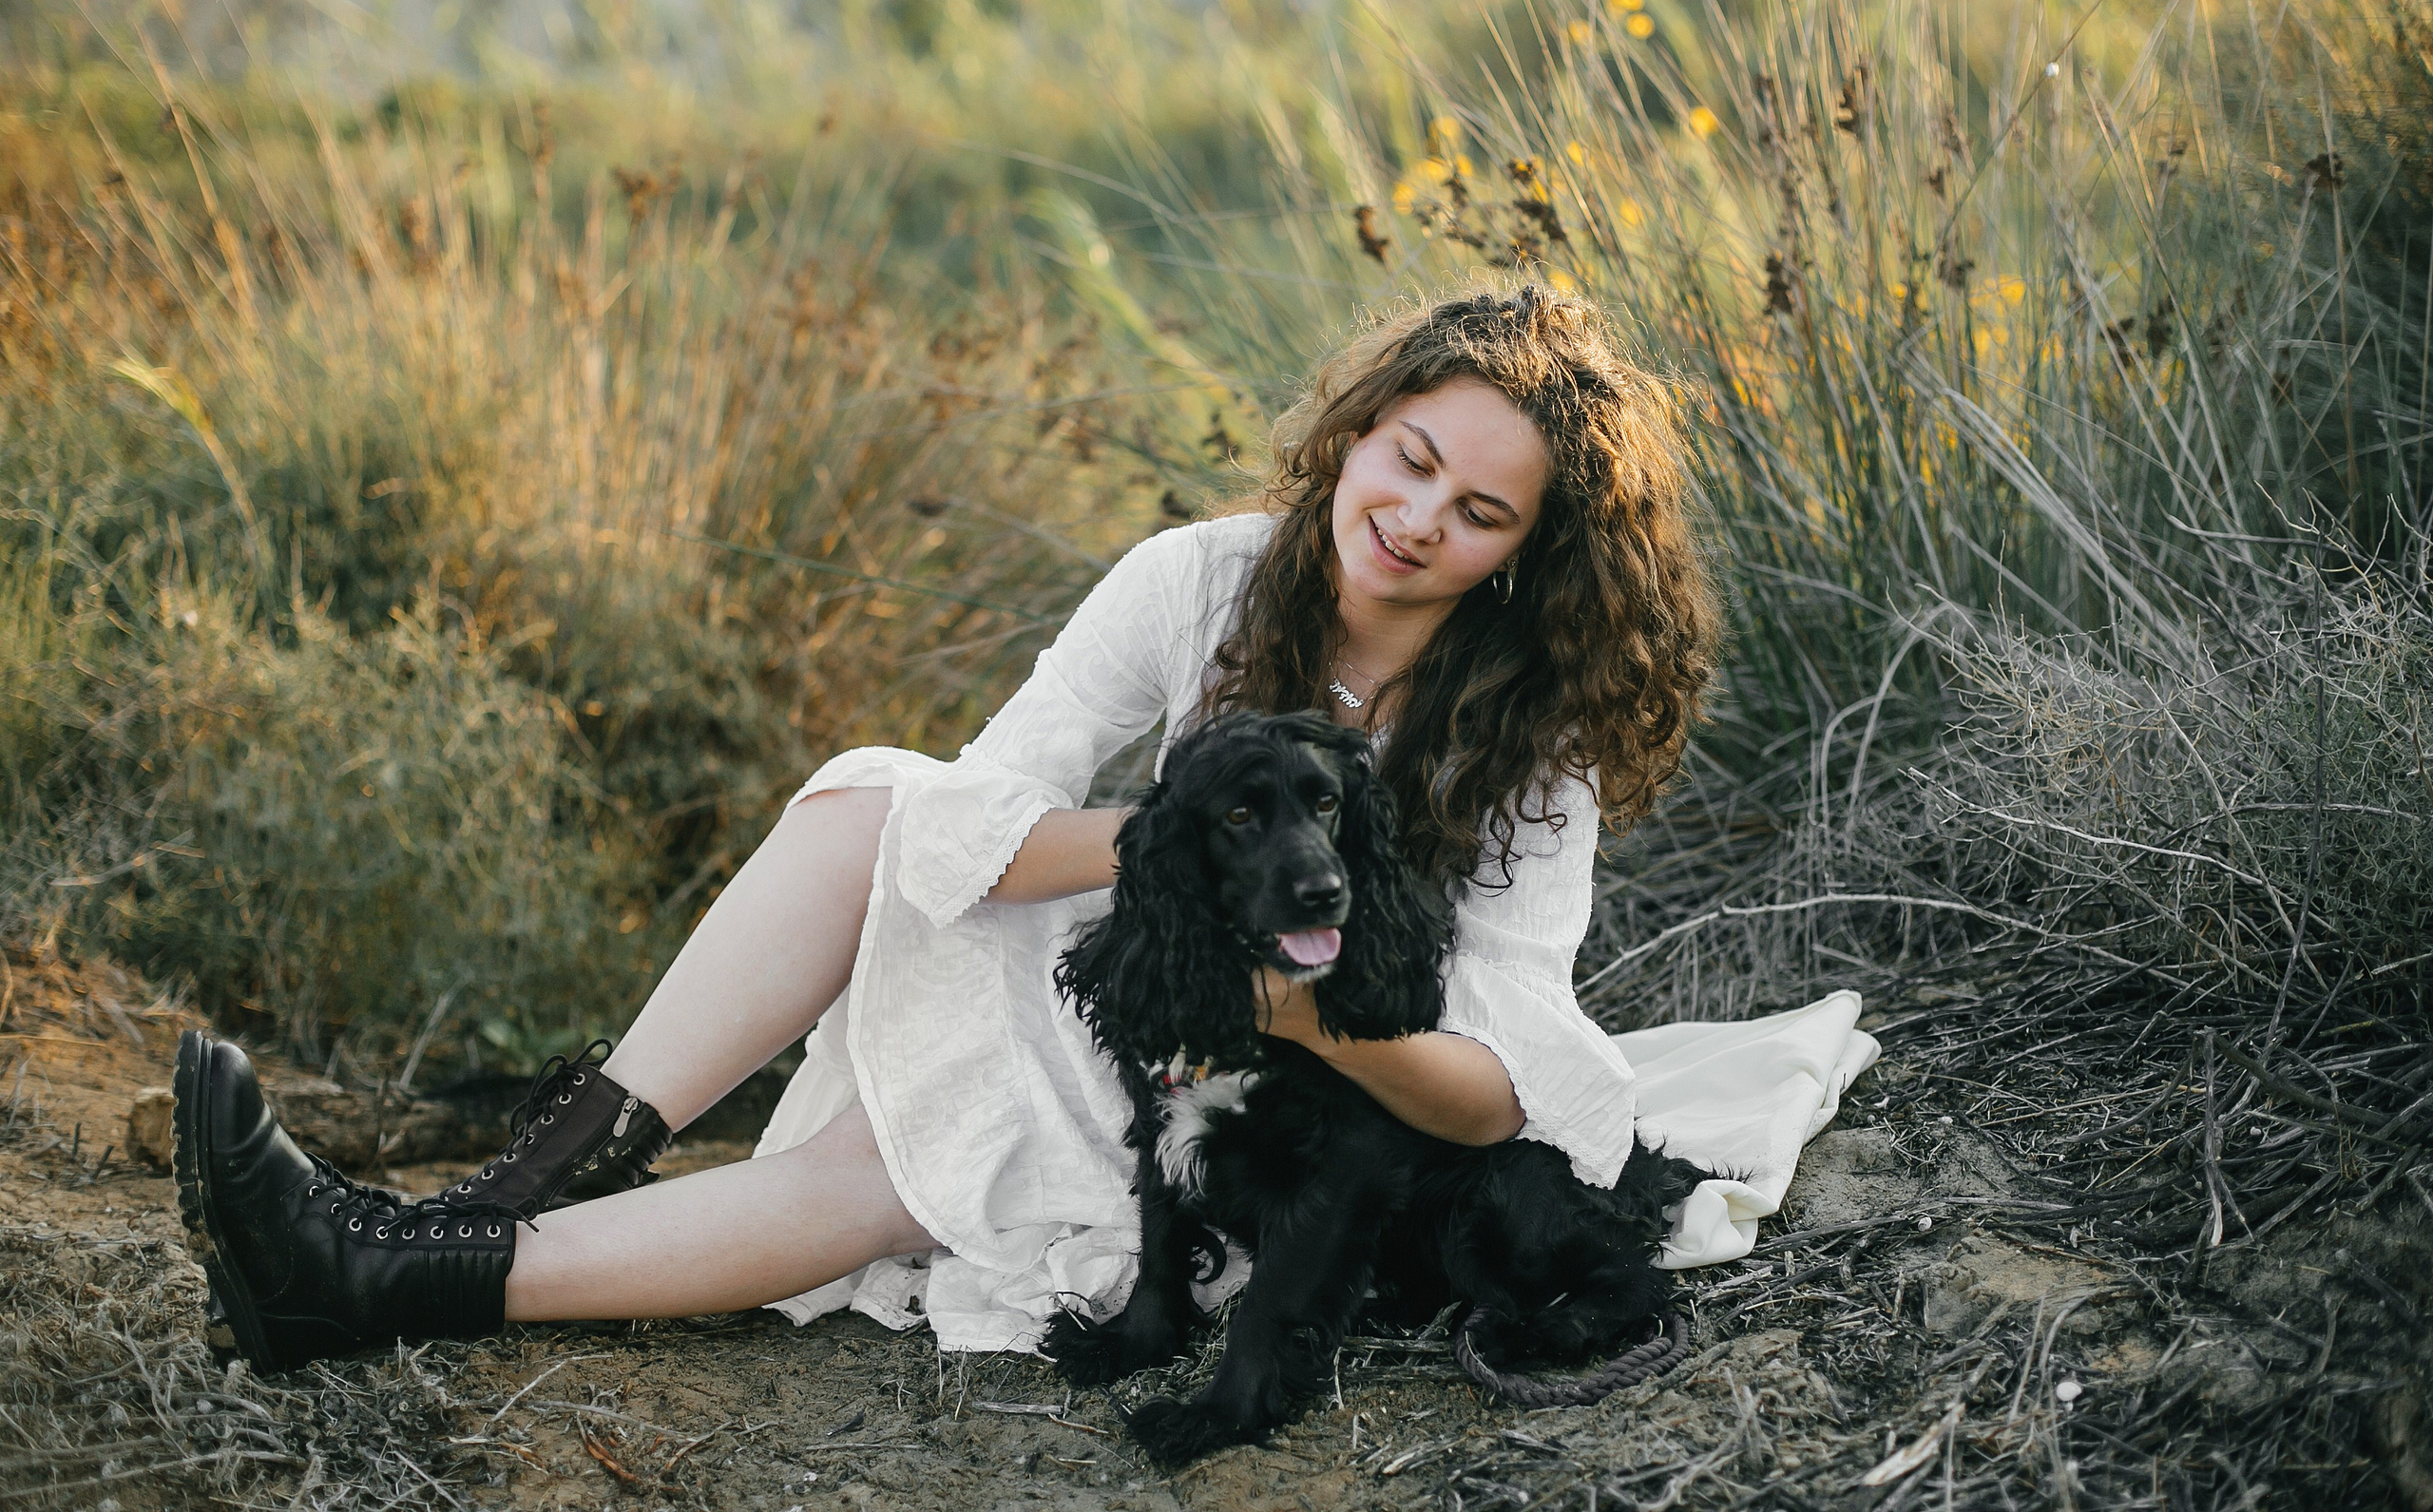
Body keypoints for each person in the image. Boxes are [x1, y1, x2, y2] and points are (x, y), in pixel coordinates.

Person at [172, 284, 1859, 1374]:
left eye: (1478, 511)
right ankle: (470, 1212)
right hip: (1129, 943)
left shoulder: (1527, 745)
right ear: (1358, 428)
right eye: (1407, 460)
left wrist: (1275, 995)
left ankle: (378, 1276)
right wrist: (1175, 855)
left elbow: (1510, 1073)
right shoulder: (1201, 575)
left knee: (926, 1154)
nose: (1415, 521)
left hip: (1292, 1072)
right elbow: (973, 812)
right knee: (865, 800)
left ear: (1524, 556)